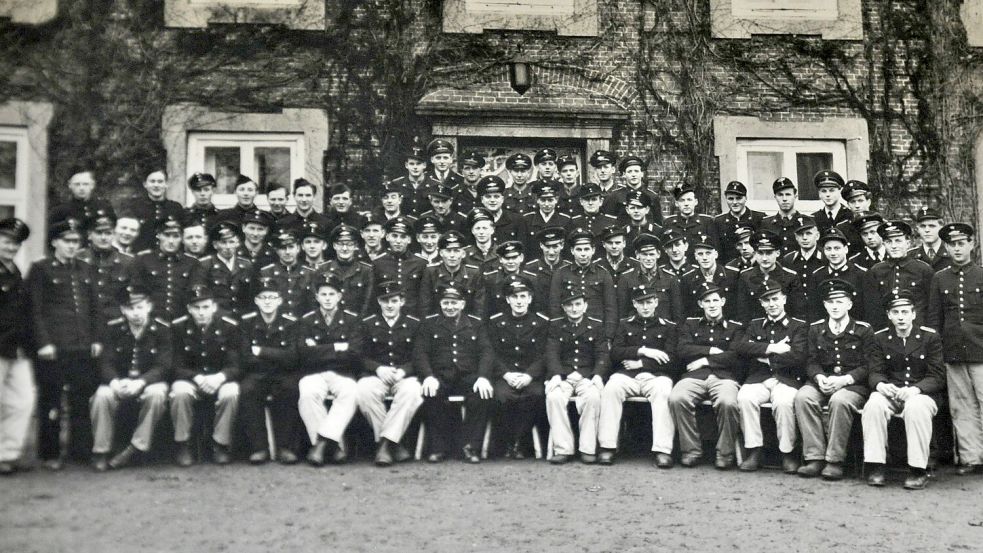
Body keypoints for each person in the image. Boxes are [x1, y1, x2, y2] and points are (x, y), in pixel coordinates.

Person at [28, 219, 101, 469]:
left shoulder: (85, 269)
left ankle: (79, 451)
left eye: (76, 242)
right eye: (67, 241)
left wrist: (96, 339)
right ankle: (50, 453)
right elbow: (34, 311)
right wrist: (43, 343)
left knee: (81, 400)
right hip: (54, 349)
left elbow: (94, 308)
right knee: (51, 401)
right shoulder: (41, 269)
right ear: (54, 242)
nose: (72, 246)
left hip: (81, 346)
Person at [863, 290, 945, 490]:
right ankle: (876, 465)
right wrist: (881, 385)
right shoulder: (880, 338)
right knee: (874, 404)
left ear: (914, 314)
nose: (901, 317)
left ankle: (918, 469)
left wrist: (916, 389)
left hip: (922, 394)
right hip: (892, 392)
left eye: (905, 312)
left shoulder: (929, 337)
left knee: (915, 408)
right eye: (896, 312)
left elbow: (938, 376)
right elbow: (875, 371)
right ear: (889, 315)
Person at [793, 279, 872, 480]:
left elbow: (870, 365)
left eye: (839, 301)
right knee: (803, 397)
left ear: (849, 304)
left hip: (853, 385)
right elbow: (811, 361)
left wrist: (845, 380)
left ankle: (834, 460)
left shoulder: (863, 330)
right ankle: (814, 457)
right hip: (824, 381)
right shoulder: (816, 329)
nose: (835, 307)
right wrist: (819, 377)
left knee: (839, 401)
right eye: (830, 302)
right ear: (825, 305)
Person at [89, 286, 170, 471]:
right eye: (130, 309)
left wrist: (141, 382)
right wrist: (115, 382)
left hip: (149, 382)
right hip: (120, 381)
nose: (135, 313)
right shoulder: (113, 329)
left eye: (140, 307)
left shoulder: (162, 329)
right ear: (123, 310)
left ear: (149, 307)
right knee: (102, 396)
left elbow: (163, 365)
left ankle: (135, 448)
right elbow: (105, 362)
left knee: (157, 395)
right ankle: (101, 451)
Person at [598, 284, 679, 468]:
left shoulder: (669, 327)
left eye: (649, 302)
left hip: (656, 376)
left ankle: (662, 450)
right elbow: (615, 353)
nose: (645, 307)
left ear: (656, 302)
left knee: (664, 393)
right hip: (627, 376)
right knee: (611, 389)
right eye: (641, 303)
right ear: (634, 304)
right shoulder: (624, 324)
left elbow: (673, 359)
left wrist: (642, 363)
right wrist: (644, 350)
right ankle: (607, 446)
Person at [734, 280, 809, 473]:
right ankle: (754, 450)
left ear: (784, 299)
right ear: (761, 303)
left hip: (787, 379)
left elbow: (799, 355)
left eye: (775, 299)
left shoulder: (798, 326)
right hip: (759, 378)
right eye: (766, 301)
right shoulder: (754, 325)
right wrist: (772, 348)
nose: (772, 304)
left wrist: (765, 358)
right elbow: (741, 348)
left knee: (783, 403)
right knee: (745, 397)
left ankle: (787, 453)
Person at [669, 282, 744, 470]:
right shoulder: (690, 324)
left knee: (728, 403)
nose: (712, 305)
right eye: (707, 301)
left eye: (715, 300)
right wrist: (710, 349)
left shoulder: (735, 328)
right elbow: (682, 349)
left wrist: (705, 361)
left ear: (723, 302)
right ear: (701, 304)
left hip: (724, 377)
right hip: (694, 376)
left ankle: (725, 453)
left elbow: (736, 356)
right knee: (677, 398)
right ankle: (691, 451)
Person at [927, 222, 983, 475]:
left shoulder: (981, 275)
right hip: (952, 352)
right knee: (961, 406)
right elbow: (934, 320)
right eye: (952, 245)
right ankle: (971, 458)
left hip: (980, 351)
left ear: (972, 244)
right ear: (946, 248)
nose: (957, 249)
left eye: (962, 243)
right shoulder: (939, 278)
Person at [416, 285, 492, 463]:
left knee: (481, 395)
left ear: (463, 304)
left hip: (468, 376)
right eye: (446, 303)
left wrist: (483, 377)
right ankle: (438, 447)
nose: (449, 307)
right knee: (431, 393)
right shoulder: (429, 324)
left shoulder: (475, 323)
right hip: (440, 375)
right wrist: (428, 376)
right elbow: (420, 353)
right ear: (440, 304)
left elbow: (486, 351)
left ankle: (471, 447)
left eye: (454, 303)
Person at [169, 285, 241, 467]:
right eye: (196, 308)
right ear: (189, 309)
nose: (201, 313)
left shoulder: (229, 327)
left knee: (231, 392)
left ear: (214, 307)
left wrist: (220, 378)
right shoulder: (178, 327)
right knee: (179, 391)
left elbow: (236, 365)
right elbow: (175, 366)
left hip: (219, 378)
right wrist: (197, 377)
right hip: (192, 380)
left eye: (206, 307)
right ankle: (183, 444)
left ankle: (220, 444)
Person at [297, 273, 363, 466]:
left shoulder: (352, 320)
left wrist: (317, 349)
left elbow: (355, 353)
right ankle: (334, 447)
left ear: (339, 296)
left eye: (331, 294)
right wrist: (337, 347)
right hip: (314, 373)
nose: (327, 298)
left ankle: (321, 445)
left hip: (342, 373)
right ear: (316, 297)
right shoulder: (307, 320)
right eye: (323, 294)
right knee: (307, 394)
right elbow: (303, 354)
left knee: (351, 393)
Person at [481, 275, 549, 459]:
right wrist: (505, 374)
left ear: (530, 298)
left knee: (536, 395)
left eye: (523, 296)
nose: (519, 301)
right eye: (515, 297)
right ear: (507, 299)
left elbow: (544, 355)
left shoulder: (541, 322)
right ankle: (507, 442)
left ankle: (520, 442)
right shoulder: (496, 322)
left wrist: (529, 375)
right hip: (506, 375)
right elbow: (491, 353)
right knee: (501, 397)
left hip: (530, 376)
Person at [355, 281, 423, 466]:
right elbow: (359, 355)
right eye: (385, 301)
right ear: (379, 302)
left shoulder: (414, 324)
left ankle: (384, 445)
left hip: (404, 376)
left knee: (413, 392)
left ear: (402, 301)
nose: (390, 305)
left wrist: (404, 371)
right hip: (376, 375)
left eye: (394, 300)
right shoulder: (367, 324)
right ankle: (394, 443)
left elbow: (420, 356)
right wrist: (378, 368)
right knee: (363, 391)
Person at [238, 277, 302, 465]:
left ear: (280, 300)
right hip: (257, 373)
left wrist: (262, 351)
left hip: (283, 374)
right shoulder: (246, 323)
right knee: (248, 390)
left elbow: (293, 357)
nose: (267, 301)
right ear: (256, 301)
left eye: (272, 297)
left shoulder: (291, 323)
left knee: (291, 389)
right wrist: (277, 357)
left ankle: (286, 447)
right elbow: (245, 357)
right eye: (263, 297)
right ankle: (259, 448)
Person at [544, 289, 608, 464]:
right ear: (564, 308)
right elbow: (551, 353)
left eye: (578, 304)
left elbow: (602, 354)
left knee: (593, 398)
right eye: (570, 305)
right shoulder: (556, 325)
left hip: (586, 375)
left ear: (585, 306)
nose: (574, 309)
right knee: (554, 397)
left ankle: (587, 448)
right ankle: (563, 448)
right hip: (563, 375)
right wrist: (557, 374)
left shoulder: (596, 326)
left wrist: (597, 375)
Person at [0, 218, 32, 474]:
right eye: (7, 241)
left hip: (16, 347)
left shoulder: (15, 271)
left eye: (16, 243)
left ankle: (7, 454)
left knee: (22, 401)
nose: (12, 247)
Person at [128, 214, 203, 322]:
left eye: (176, 236)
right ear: (158, 235)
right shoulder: (143, 260)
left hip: (181, 323)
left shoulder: (192, 263)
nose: (171, 241)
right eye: (167, 235)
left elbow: (194, 297)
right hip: (150, 322)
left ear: (181, 238)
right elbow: (137, 295)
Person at [548, 228, 617, 341]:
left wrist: (608, 336)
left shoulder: (603, 274)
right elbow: (554, 306)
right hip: (568, 332)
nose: (583, 254)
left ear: (593, 250)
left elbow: (610, 308)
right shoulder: (561, 273)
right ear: (572, 250)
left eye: (586, 249)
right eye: (579, 249)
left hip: (597, 332)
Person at [865, 220, 935, 330]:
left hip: (918, 330)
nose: (893, 246)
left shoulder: (923, 269)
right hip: (886, 332)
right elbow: (873, 307)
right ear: (884, 244)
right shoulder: (876, 271)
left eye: (898, 241)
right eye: (889, 242)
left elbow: (932, 306)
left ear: (908, 243)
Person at [77, 209, 133, 326]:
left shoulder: (128, 262)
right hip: (83, 324)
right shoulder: (77, 259)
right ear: (89, 235)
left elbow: (132, 299)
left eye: (108, 233)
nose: (104, 237)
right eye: (99, 233)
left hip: (115, 324)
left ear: (113, 235)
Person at [734, 230, 804, 322]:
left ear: (777, 253)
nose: (764, 258)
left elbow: (798, 313)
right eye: (760, 253)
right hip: (755, 331)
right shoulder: (745, 276)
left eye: (769, 253)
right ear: (755, 254)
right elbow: (743, 313)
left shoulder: (790, 277)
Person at [806, 227, 871, 322]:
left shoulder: (862, 274)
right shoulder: (817, 276)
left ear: (846, 249)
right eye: (828, 249)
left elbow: (869, 310)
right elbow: (813, 310)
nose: (833, 253)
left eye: (837, 248)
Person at [616, 233, 683, 322]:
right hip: (635, 331)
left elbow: (677, 313)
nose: (648, 258)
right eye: (644, 254)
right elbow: (622, 313)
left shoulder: (670, 278)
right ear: (637, 254)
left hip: (663, 331)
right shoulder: (626, 278)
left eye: (651, 254)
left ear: (658, 254)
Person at [419, 230, 485, 317]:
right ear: (441, 253)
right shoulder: (431, 272)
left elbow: (479, 307)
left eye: (456, 251)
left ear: (463, 253)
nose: (452, 255)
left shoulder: (474, 273)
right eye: (448, 251)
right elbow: (425, 306)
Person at [371, 217, 428, 317]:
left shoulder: (421, 263)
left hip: (413, 316)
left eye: (403, 237)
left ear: (409, 239)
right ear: (387, 237)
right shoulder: (378, 263)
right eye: (394, 236)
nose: (398, 241)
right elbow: (374, 296)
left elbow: (424, 297)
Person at [197, 221, 253, 319]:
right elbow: (200, 298)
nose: (228, 247)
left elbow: (250, 295)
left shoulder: (246, 264)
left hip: (241, 317)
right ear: (215, 245)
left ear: (237, 243)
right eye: (223, 242)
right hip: (216, 318)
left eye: (231, 242)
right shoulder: (205, 265)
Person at [257, 228, 315, 318]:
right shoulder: (266, 272)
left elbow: (313, 304)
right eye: (283, 248)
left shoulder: (309, 273)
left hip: (302, 322)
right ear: (277, 250)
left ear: (298, 248)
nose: (287, 252)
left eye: (291, 247)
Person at [124, 168, 185, 253]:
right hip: (141, 257)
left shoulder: (175, 208)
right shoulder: (135, 207)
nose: (156, 185)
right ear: (145, 184)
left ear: (166, 184)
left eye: (160, 182)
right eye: (152, 181)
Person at [321, 224, 375, 317]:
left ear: (355, 246)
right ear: (334, 245)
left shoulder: (366, 271)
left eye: (349, 244)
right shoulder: (323, 269)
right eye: (341, 244)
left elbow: (367, 303)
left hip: (356, 324)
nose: (345, 248)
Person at [680, 235, 739, 318]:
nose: (704, 258)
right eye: (700, 254)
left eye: (708, 253)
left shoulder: (732, 275)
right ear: (695, 256)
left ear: (716, 254)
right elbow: (687, 311)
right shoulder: (687, 279)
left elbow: (738, 308)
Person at [760, 177, 815, 255]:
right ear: (775, 197)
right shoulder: (766, 224)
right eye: (780, 195)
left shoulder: (808, 221)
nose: (784, 199)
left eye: (788, 194)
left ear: (795, 196)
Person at [662, 182, 718, 260]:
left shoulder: (706, 222)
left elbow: (715, 249)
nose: (686, 204)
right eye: (682, 200)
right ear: (676, 203)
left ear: (696, 202)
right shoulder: (668, 222)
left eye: (689, 200)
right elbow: (664, 250)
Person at [713, 181, 764, 264]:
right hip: (729, 269)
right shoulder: (719, 221)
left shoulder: (759, 218)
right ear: (726, 199)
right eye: (731, 199)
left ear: (746, 198)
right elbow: (718, 252)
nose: (735, 202)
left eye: (738, 198)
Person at [48, 167, 115, 227]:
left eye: (85, 184)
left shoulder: (104, 207)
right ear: (70, 185)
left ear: (92, 185)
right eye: (77, 184)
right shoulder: (60, 211)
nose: (81, 188)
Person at [605, 156, 661, 225]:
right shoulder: (615, 196)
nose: (633, 175)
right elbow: (608, 222)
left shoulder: (652, 196)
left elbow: (658, 224)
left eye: (636, 171)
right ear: (624, 175)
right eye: (630, 172)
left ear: (642, 174)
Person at [389, 141, 439, 218]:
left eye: (418, 163)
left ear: (424, 165)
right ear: (406, 165)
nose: (415, 167)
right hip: (403, 224)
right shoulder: (397, 184)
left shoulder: (435, 185)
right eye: (411, 164)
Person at [478, 175, 528, 245]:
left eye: (496, 196)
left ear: (502, 199)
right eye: (488, 197)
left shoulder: (517, 220)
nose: (492, 200)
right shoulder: (476, 222)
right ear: (482, 200)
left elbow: (522, 248)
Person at [523, 181, 573, 249]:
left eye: (550, 200)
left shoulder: (565, 220)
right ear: (537, 200)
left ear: (556, 200)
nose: (546, 204)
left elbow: (568, 247)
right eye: (543, 200)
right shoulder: (527, 219)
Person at [909, 207, 951, 272]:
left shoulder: (952, 254)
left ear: (941, 228)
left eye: (932, 226)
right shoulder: (910, 257)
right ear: (918, 230)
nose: (927, 230)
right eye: (923, 226)